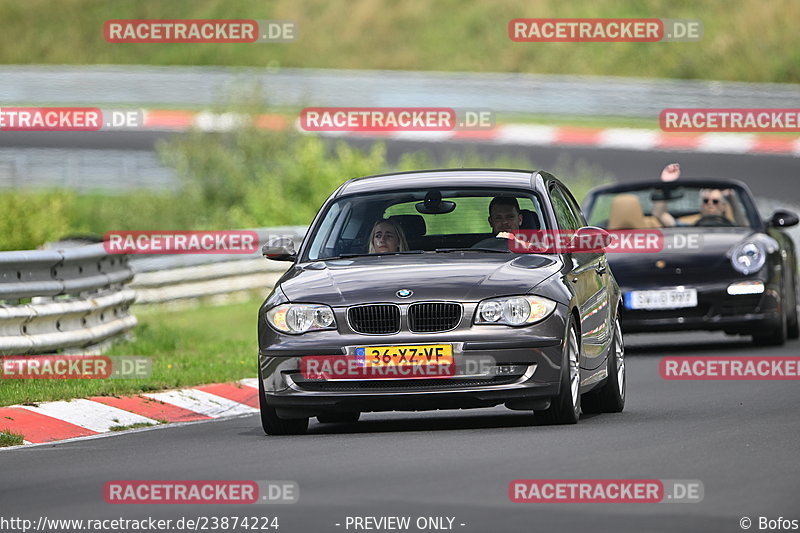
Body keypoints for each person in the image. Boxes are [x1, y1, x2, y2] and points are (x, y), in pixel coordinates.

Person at [652, 163, 747, 227]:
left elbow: (745, 227)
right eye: (706, 201)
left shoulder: (733, 229)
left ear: (723, 206)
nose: (710, 204)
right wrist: (665, 184)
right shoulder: (690, 231)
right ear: (701, 206)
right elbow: (660, 214)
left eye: (715, 201)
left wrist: (732, 200)